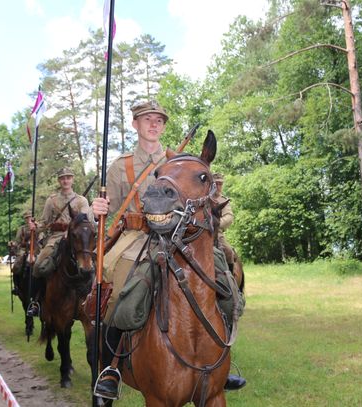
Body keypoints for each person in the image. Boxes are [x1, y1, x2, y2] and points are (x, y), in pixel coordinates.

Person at [91, 100, 246, 399]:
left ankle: (219, 362)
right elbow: (104, 206)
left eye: (159, 120)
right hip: (137, 235)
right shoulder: (121, 166)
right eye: (147, 119)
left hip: (180, 234)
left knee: (223, 279)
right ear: (135, 124)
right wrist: (96, 207)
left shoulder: (176, 159)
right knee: (124, 285)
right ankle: (111, 368)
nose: (153, 124)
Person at [26, 167, 93, 317]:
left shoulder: (81, 200)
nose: (66, 180)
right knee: (37, 265)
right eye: (63, 178)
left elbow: (85, 223)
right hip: (56, 237)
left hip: (76, 238)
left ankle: (92, 300)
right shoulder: (52, 200)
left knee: (92, 266)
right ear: (59, 181)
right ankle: (35, 302)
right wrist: (34, 227)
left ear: (72, 179)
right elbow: (44, 222)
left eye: (68, 177)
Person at [212, 173, 236, 272]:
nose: (218, 186)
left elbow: (229, 217)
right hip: (200, 231)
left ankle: (231, 279)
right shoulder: (203, 197)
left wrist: (216, 223)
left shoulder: (223, 200)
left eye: (220, 184)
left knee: (228, 251)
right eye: (216, 184)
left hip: (217, 234)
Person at [9, 210, 33, 296]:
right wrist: (13, 244)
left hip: (36, 249)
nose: (28, 219)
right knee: (16, 265)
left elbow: (41, 238)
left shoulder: (38, 226)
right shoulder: (21, 229)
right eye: (26, 218)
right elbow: (17, 242)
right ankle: (16, 287)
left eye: (30, 217)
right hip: (24, 250)